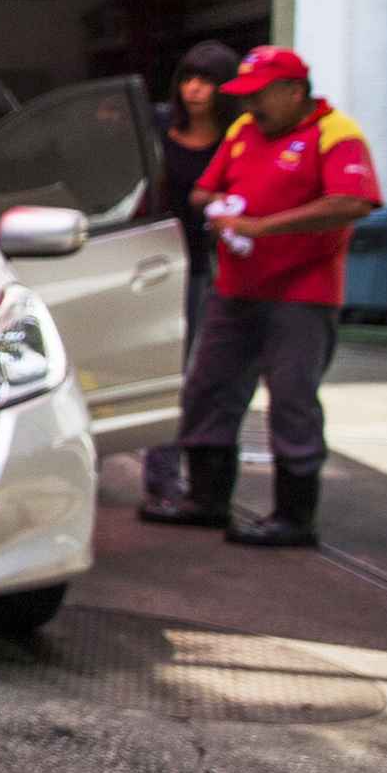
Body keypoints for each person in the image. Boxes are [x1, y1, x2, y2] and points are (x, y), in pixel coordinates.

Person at [141, 46, 381, 547]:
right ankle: (206, 501)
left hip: (302, 294)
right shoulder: (242, 132)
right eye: (245, 95)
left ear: (295, 92)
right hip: (235, 287)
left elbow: (354, 201)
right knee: (209, 389)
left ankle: (294, 517)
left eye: (260, 94)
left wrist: (261, 225)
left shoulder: (335, 132)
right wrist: (223, 205)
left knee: (291, 400)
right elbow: (203, 191)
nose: (250, 105)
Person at [137, 41, 243, 516]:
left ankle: (162, 477)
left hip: (193, 265)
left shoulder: (238, 138)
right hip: (133, 255)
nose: (194, 89)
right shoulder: (157, 125)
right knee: (111, 361)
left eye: (206, 81)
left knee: (181, 372)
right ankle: (89, 464)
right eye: (187, 79)